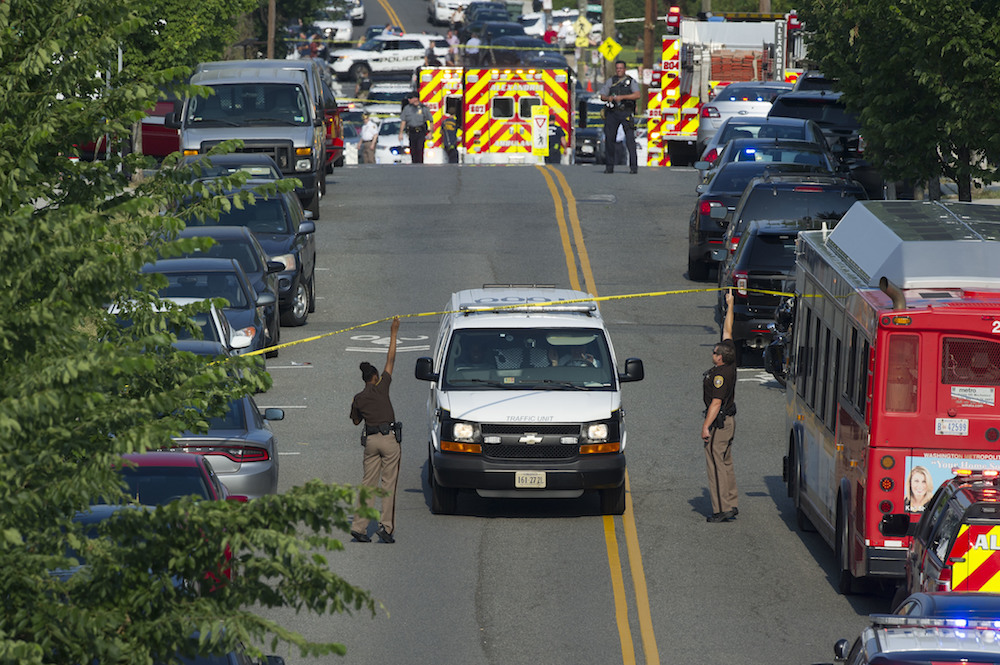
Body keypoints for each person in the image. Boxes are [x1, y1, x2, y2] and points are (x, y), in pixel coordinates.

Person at [350, 317, 401, 544]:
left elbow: (355, 421)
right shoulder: (382, 387)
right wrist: (393, 332)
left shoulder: (359, 398)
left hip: (370, 442)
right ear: (376, 378)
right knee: (388, 484)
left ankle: (359, 528)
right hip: (389, 440)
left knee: (367, 485)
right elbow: (391, 359)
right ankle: (386, 528)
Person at [703, 290, 738, 523]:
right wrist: (730, 304)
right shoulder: (731, 359)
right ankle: (731, 502)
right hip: (730, 421)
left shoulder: (720, 376)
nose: (712, 353)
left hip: (720, 421)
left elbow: (715, 403)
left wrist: (706, 426)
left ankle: (721, 509)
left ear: (720, 358)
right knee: (725, 460)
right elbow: (728, 330)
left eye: (714, 352)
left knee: (715, 462)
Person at [598, 60, 640, 174]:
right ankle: (609, 166)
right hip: (613, 113)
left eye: (621, 68)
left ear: (625, 69)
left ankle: (633, 167)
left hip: (626, 112)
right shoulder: (611, 81)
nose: (619, 70)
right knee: (610, 139)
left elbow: (637, 95)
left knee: (630, 140)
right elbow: (602, 96)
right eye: (617, 68)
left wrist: (622, 97)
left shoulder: (630, 81)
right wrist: (609, 98)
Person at [399, 91, 432, 164]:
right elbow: (403, 121)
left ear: (416, 99)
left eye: (410, 98)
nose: (409, 100)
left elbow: (430, 120)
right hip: (411, 132)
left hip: (420, 132)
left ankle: (420, 165)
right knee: (413, 150)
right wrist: (401, 133)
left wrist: (430, 132)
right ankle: (414, 165)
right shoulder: (407, 109)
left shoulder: (423, 108)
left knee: (419, 149)